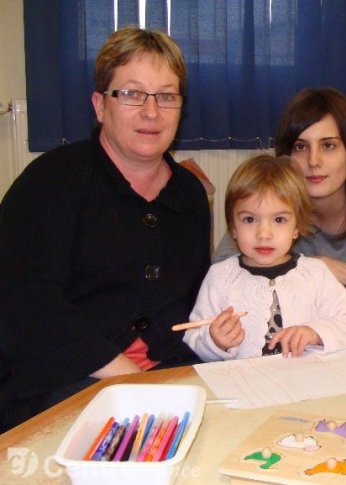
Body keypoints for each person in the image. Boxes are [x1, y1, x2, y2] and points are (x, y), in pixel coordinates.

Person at [0, 27, 211, 431]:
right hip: (60, 381)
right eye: (132, 94)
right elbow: (27, 305)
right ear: (100, 105)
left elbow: (195, 299)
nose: (152, 112)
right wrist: (128, 377)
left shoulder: (189, 194)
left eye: (166, 96)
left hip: (166, 372)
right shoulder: (50, 182)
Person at [213, 88, 346, 344]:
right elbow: (222, 273)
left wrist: (328, 289)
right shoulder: (269, 210)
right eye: (300, 147)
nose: (313, 161)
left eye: (328, 146)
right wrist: (312, 268)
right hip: (290, 355)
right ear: (286, 158)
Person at [184, 154, 346, 360]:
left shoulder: (315, 273)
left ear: (296, 227)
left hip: (307, 377)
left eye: (279, 220)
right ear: (233, 227)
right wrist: (214, 341)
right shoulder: (220, 277)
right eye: (250, 219)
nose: (264, 234)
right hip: (244, 379)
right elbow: (193, 336)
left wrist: (315, 333)